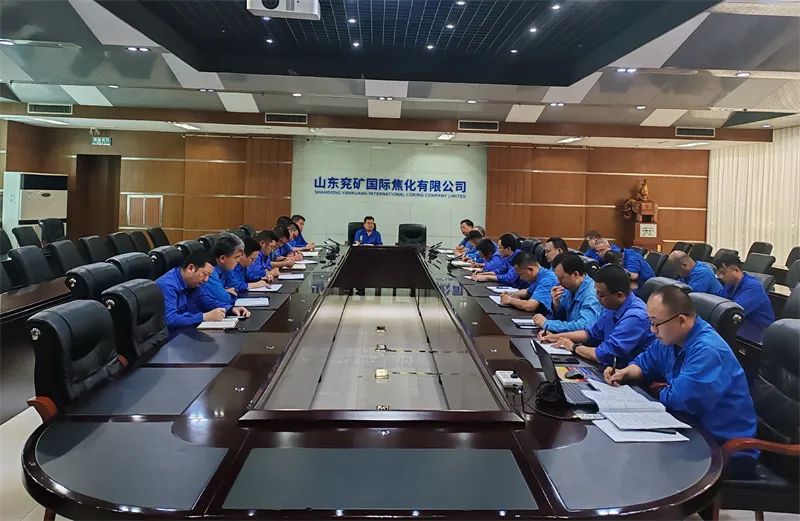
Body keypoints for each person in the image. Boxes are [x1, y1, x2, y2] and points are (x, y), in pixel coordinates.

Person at [606, 285, 758, 477]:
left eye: (656, 324)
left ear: (681, 320)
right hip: (690, 430)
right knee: (626, 453)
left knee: (640, 468)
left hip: (724, 448)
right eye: (650, 322)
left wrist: (659, 389)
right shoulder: (670, 339)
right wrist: (624, 373)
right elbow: (645, 362)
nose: (652, 330)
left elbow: (679, 400)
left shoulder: (708, 350)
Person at [541, 265, 654, 367]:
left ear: (619, 295)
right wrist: (557, 337)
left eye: (601, 294)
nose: (597, 297)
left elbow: (604, 354)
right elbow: (590, 333)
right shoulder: (613, 305)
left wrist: (573, 347)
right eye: (596, 292)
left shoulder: (635, 317)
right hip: (610, 368)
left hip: (628, 376)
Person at [155, 250, 225, 330]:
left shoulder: (194, 283)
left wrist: (231, 308)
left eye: (209, 275)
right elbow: (170, 320)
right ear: (190, 268)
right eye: (205, 274)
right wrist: (204, 316)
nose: (206, 279)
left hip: (186, 328)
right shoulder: (167, 285)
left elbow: (206, 301)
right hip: (171, 334)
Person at [531, 253, 601, 332]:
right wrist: (556, 305)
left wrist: (547, 324)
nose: (558, 282)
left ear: (575, 274)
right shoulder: (569, 287)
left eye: (561, 278)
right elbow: (563, 318)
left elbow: (584, 327)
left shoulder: (592, 295)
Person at [716, 253, 775, 336]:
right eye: (719, 274)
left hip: (759, 331)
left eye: (723, 273)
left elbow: (734, 311)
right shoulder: (730, 285)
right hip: (741, 324)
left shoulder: (753, 287)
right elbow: (717, 299)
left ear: (736, 270)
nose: (721, 277)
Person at [195, 233, 252, 317]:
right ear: (222, 258)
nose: (238, 260)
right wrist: (226, 292)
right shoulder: (210, 271)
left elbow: (236, 288)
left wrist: (225, 291)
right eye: (236, 257)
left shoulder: (227, 267)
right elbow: (225, 299)